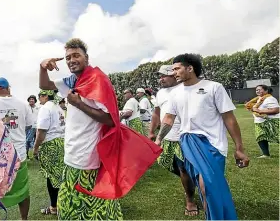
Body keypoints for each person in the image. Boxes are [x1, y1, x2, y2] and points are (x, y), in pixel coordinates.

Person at [39, 38, 161, 220]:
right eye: (68, 57)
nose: (71, 60)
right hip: (72, 153)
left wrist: (79, 104)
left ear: (86, 58)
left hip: (88, 156)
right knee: (74, 207)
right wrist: (42, 67)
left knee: (89, 209)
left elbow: (111, 120)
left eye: (76, 55)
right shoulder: (73, 81)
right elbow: (45, 85)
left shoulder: (97, 80)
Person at [156, 53, 250, 220]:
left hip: (213, 145)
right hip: (188, 143)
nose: (174, 72)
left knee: (208, 187)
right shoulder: (175, 94)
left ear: (190, 68)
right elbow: (168, 119)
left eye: (177, 69)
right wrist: (158, 139)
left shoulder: (214, 87)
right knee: (204, 186)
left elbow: (229, 119)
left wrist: (239, 148)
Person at [148, 65, 198, 216]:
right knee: (166, 163)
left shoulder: (186, 88)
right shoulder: (160, 93)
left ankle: (190, 200)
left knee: (183, 168)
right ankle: (192, 180)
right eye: (160, 76)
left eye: (164, 76)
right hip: (166, 138)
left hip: (183, 136)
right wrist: (151, 130)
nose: (161, 79)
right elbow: (157, 113)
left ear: (174, 74)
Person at [0, 77, 33, 220]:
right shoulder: (23, 104)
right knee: (23, 191)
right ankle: (24, 219)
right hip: (19, 154)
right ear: (8, 88)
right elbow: (28, 125)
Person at [32, 90, 65, 216]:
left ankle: (54, 207)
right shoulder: (58, 108)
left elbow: (41, 131)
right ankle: (61, 204)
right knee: (60, 176)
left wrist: (35, 148)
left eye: (40, 96)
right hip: (62, 143)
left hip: (50, 145)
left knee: (51, 177)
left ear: (46, 96)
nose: (39, 98)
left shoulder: (45, 108)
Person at [245, 85, 279, 158]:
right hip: (260, 122)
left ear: (266, 90)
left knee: (278, 137)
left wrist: (259, 111)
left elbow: (276, 110)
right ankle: (265, 154)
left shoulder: (270, 98)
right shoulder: (259, 99)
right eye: (256, 90)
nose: (257, 91)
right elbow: (255, 108)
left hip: (272, 121)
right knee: (260, 137)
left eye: (259, 90)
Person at [26, 95, 40, 159]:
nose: (31, 100)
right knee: (28, 141)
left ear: (35, 101)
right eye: (30, 99)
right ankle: (26, 154)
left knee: (37, 141)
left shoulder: (38, 108)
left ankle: (37, 155)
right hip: (29, 127)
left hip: (37, 127)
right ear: (28, 100)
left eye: (33, 99)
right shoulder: (26, 108)